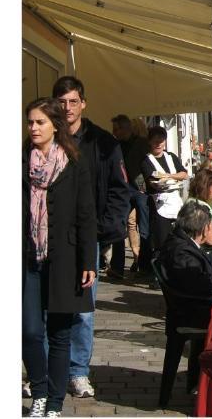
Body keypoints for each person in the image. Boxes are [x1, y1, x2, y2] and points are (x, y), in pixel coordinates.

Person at [52, 77, 130, 400]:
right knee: (49, 307)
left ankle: (78, 371)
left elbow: (119, 189)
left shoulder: (103, 143)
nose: (67, 108)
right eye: (62, 102)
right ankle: (49, 369)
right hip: (51, 237)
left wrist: (103, 229)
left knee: (83, 308)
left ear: (83, 103)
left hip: (87, 237)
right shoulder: (44, 139)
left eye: (73, 101)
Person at [23, 98, 97, 417]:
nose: (34, 128)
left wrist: (88, 262)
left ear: (55, 125)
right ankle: (39, 391)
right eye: (30, 122)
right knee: (28, 330)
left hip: (65, 259)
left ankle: (54, 402)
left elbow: (86, 214)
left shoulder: (74, 162)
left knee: (59, 333)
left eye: (40, 122)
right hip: (28, 258)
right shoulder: (19, 160)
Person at [158, 200, 212, 326]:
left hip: (188, 307)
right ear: (205, 229)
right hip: (194, 312)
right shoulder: (182, 253)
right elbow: (200, 285)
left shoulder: (178, 242)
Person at [111, 114, 150, 277]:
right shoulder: (115, 145)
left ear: (125, 128)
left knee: (144, 228)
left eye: (117, 129)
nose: (114, 132)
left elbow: (146, 164)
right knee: (118, 226)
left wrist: (143, 186)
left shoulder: (140, 143)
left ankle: (144, 265)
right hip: (123, 191)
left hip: (139, 190)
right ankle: (117, 267)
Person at [142, 126, 189, 257]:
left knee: (180, 237)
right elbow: (153, 181)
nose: (158, 144)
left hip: (175, 201)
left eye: (161, 141)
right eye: (155, 141)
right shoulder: (147, 160)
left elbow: (184, 174)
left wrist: (168, 176)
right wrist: (173, 177)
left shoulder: (171, 157)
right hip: (159, 203)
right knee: (161, 240)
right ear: (150, 142)